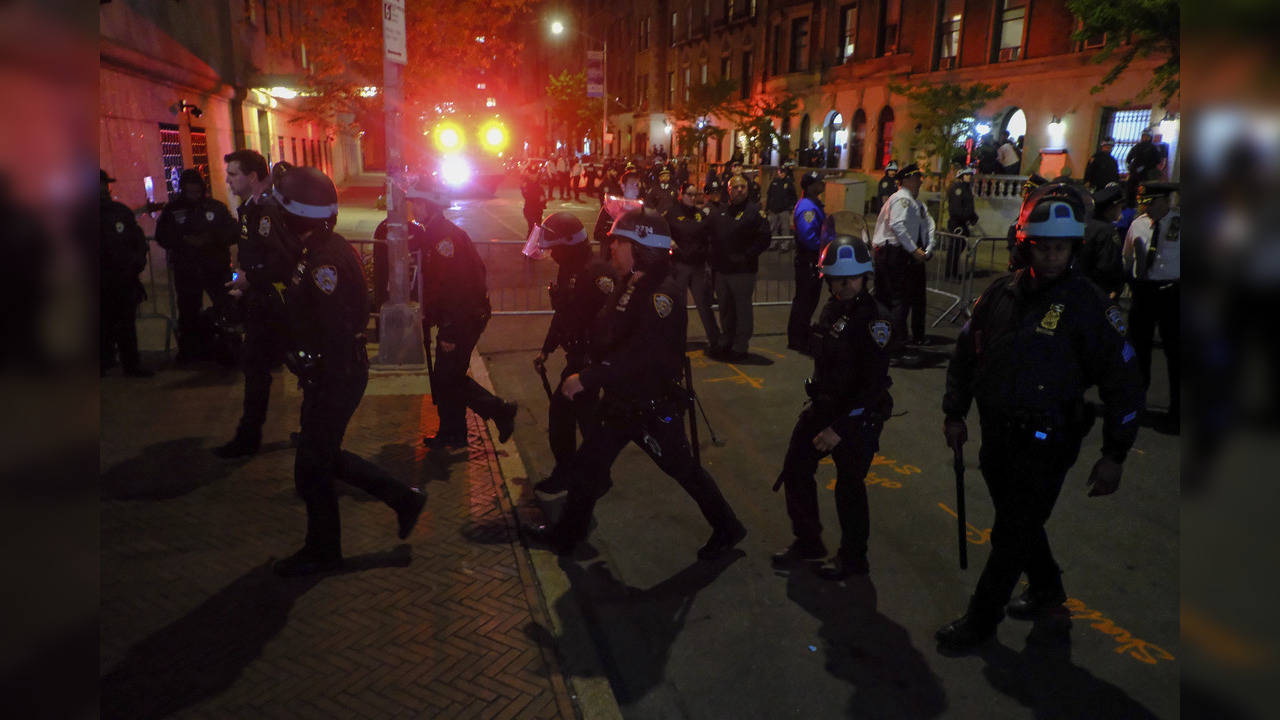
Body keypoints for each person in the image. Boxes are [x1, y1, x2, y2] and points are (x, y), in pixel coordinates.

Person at [936, 182, 1145, 651]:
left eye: (1060, 248)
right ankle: (1048, 591)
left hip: (1049, 442)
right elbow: (966, 356)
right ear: (1027, 244)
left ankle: (980, 621)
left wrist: (1116, 453)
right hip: (997, 440)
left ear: (1073, 248)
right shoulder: (999, 296)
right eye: (1043, 246)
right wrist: (955, 412)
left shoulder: (1091, 307)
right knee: (1020, 522)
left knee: (1010, 534)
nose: (1051, 256)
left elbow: (1124, 384)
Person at [523, 209, 747, 560]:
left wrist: (588, 377)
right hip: (621, 403)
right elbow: (609, 334)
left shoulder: (662, 294)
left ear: (642, 248)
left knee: (684, 471)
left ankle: (728, 527)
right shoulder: (633, 282)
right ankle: (568, 536)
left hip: (649, 407)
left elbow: (642, 355)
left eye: (621, 242)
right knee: (588, 467)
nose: (612, 247)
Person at [266, 166, 427, 577]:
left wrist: (314, 364)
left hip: (338, 374)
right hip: (330, 373)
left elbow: (336, 329)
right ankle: (401, 499)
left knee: (314, 464)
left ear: (295, 216)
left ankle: (324, 551)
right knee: (320, 458)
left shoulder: (327, 261)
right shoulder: (314, 249)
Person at [771, 234, 893, 578]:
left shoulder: (876, 321)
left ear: (865, 276)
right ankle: (808, 542)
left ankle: (854, 558)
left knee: (849, 485)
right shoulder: (832, 309)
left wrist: (839, 429)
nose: (843, 284)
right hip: (823, 406)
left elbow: (872, 387)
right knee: (795, 469)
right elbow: (807, 343)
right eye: (836, 278)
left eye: (851, 278)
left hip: (856, 417)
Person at [409, 180, 519, 449]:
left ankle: (498, 410)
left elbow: (457, 289)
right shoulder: (435, 234)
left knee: (448, 377)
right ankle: (454, 433)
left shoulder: (445, 239)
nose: (412, 208)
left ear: (428, 205)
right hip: (460, 317)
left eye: (416, 203)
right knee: (448, 377)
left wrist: (449, 329)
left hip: (462, 319)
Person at [522, 212, 616, 493]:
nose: (551, 255)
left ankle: (584, 476)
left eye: (554, 248)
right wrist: (546, 349)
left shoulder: (596, 273)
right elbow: (563, 314)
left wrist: (594, 364)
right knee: (578, 419)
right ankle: (585, 474)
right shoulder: (569, 269)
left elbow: (612, 322)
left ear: (569, 245)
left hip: (590, 361)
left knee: (579, 419)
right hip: (576, 357)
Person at [216, 150, 293, 457]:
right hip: (260, 300)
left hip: (274, 304)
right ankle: (249, 435)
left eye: (233, 174)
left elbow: (281, 261)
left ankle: (249, 438)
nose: (227, 179)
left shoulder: (266, 210)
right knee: (257, 369)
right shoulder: (251, 208)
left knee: (263, 369)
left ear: (251, 177)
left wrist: (251, 278)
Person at [154, 169, 238, 363]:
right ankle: (191, 351)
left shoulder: (215, 207)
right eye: (190, 192)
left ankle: (228, 350)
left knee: (225, 306)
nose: (194, 196)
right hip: (187, 269)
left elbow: (232, 230)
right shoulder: (173, 210)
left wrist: (212, 238)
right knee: (188, 311)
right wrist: (183, 240)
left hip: (216, 268)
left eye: (197, 192)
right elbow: (163, 235)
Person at [1122, 181, 1181, 431]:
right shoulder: (1138, 224)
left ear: (1166, 201)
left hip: (1172, 293)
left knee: (1176, 355)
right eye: (1145, 202)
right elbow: (1127, 256)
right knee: (1138, 350)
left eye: (1151, 201)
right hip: (1144, 292)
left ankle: (1177, 411)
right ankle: (1136, 404)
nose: (1146, 206)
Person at [870, 163, 935, 364]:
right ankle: (894, 348)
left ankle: (884, 344)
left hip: (893, 253)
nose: (920, 181)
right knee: (897, 301)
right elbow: (898, 225)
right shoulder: (902, 200)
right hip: (893, 253)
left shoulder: (908, 201)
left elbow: (926, 226)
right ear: (906, 180)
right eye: (916, 178)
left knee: (889, 300)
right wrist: (913, 250)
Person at [708, 175, 772, 361]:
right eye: (735, 187)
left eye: (743, 187)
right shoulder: (722, 211)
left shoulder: (754, 212)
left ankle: (740, 345)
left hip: (743, 272)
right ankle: (726, 339)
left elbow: (764, 238)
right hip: (722, 270)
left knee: (742, 308)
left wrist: (746, 256)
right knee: (726, 307)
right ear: (728, 190)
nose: (739, 190)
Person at [100, 169, 154, 378]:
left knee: (126, 325)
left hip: (123, 280)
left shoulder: (119, 212)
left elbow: (137, 239)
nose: (102, 190)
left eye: (104, 185)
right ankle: (104, 363)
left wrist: (137, 262)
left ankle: (131, 364)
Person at [666, 183, 721, 352]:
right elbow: (664, 231)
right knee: (679, 307)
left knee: (704, 305)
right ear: (681, 194)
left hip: (697, 266)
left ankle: (715, 340)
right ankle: (677, 341)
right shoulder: (672, 213)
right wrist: (670, 242)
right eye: (688, 194)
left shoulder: (700, 214)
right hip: (680, 266)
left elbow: (707, 236)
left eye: (694, 194)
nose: (691, 197)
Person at [787, 179, 827, 352]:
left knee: (810, 299)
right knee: (804, 300)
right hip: (809, 259)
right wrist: (825, 246)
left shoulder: (813, 204)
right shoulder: (807, 207)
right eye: (818, 182)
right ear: (809, 187)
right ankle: (797, 338)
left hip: (814, 260)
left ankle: (802, 333)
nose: (822, 184)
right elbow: (809, 237)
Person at [1077, 183, 1126, 299]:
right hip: (1099, 292)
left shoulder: (1085, 226)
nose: (1121, 210)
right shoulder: (1107, 231)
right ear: (1111, 208)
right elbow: (1108, 265)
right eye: (1119, 206)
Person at [592, 169, 644, 261]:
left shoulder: (643, 210)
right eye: (634, 185)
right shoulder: (611, 207)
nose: (637, 189)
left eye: (639, 185)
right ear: (623, 186)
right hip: (611, 260)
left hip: (633, 263)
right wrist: (617, 237)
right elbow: (597, 233)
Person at [1005, 174, 1048, 271]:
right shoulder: (1028, 208)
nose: (1025, 195)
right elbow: (1014, 228)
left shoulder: (1039, 210)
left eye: (1028, 191)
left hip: (1029, 261)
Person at [944, 167, 980, 281]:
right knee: (954, 249)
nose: (970, 176)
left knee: (959, 247)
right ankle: (950, 274)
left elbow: (968, 206)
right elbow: (956, 209)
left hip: (963, 223)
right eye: (967, 175)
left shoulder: (966, 188)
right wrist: (967, 216)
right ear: (961, 176)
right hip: (957, 223)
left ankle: (952, 273)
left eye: (970, 174)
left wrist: (973, 216)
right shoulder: (957, 189)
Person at [1124, 130, 1162, 206]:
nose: (1144, 138)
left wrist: (1145, 167)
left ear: (1149, 138)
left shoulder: (1153, 148)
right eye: (1143, 136)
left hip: (1147, 174)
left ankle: (1143, 205)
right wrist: (1130, 166)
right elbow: (1129, 157)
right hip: (1135, 173)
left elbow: (1157, 160)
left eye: (1146, 136)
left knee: (1144, 191)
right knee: (1131, 190)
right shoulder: (1137, 146)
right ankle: (1130, 205)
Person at [765, 163, 799, 244]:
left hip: (784, 209)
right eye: (780, 172)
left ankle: (785, 244)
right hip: (773, 209)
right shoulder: (774, 182)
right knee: (773, 228)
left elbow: (794, 196)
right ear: (778, 172)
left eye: (783, 172)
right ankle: (773, 243)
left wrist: (791, 206)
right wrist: (767, 207)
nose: (781, 173)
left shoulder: (789, 183)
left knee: (785, 228)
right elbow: (769, 195)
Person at [521, 163, 547, 235]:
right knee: (532, 228)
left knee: (538, 229)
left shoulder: (538, 184)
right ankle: (530, 245)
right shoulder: (526, 184)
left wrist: (543, 201)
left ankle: (536, 244)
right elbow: (527, 196)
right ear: (528, 174)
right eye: (532, 174)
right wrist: (539, 198)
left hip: (538, 210)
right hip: (529, 209)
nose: (534, 176)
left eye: (535, 174)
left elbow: (543, 195)